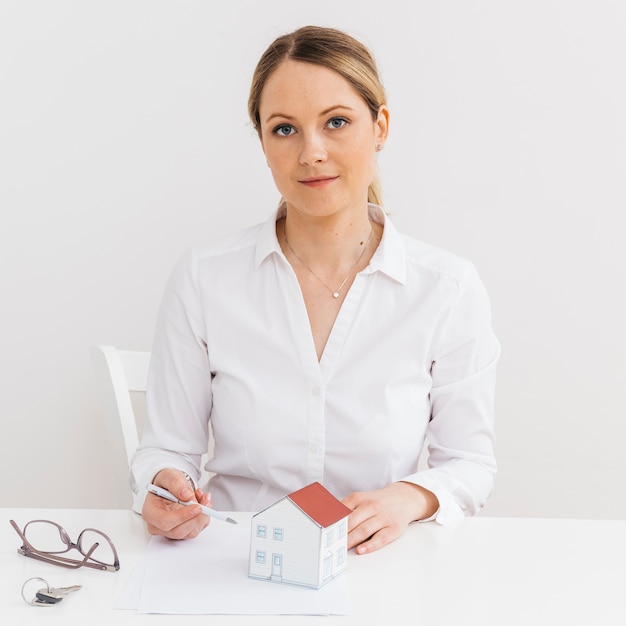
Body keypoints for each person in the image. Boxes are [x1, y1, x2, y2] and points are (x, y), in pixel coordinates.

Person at [130, 25, 500, 555]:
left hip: (374, 564)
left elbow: (469, 464)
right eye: (284, 130)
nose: (312, 152)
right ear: (261, 141)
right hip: (235, 560)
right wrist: (163, 485)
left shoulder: (447, 289)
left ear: (380, 127)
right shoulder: (204, 277)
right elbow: (167, 447)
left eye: (337, 122)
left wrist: (408, 497)